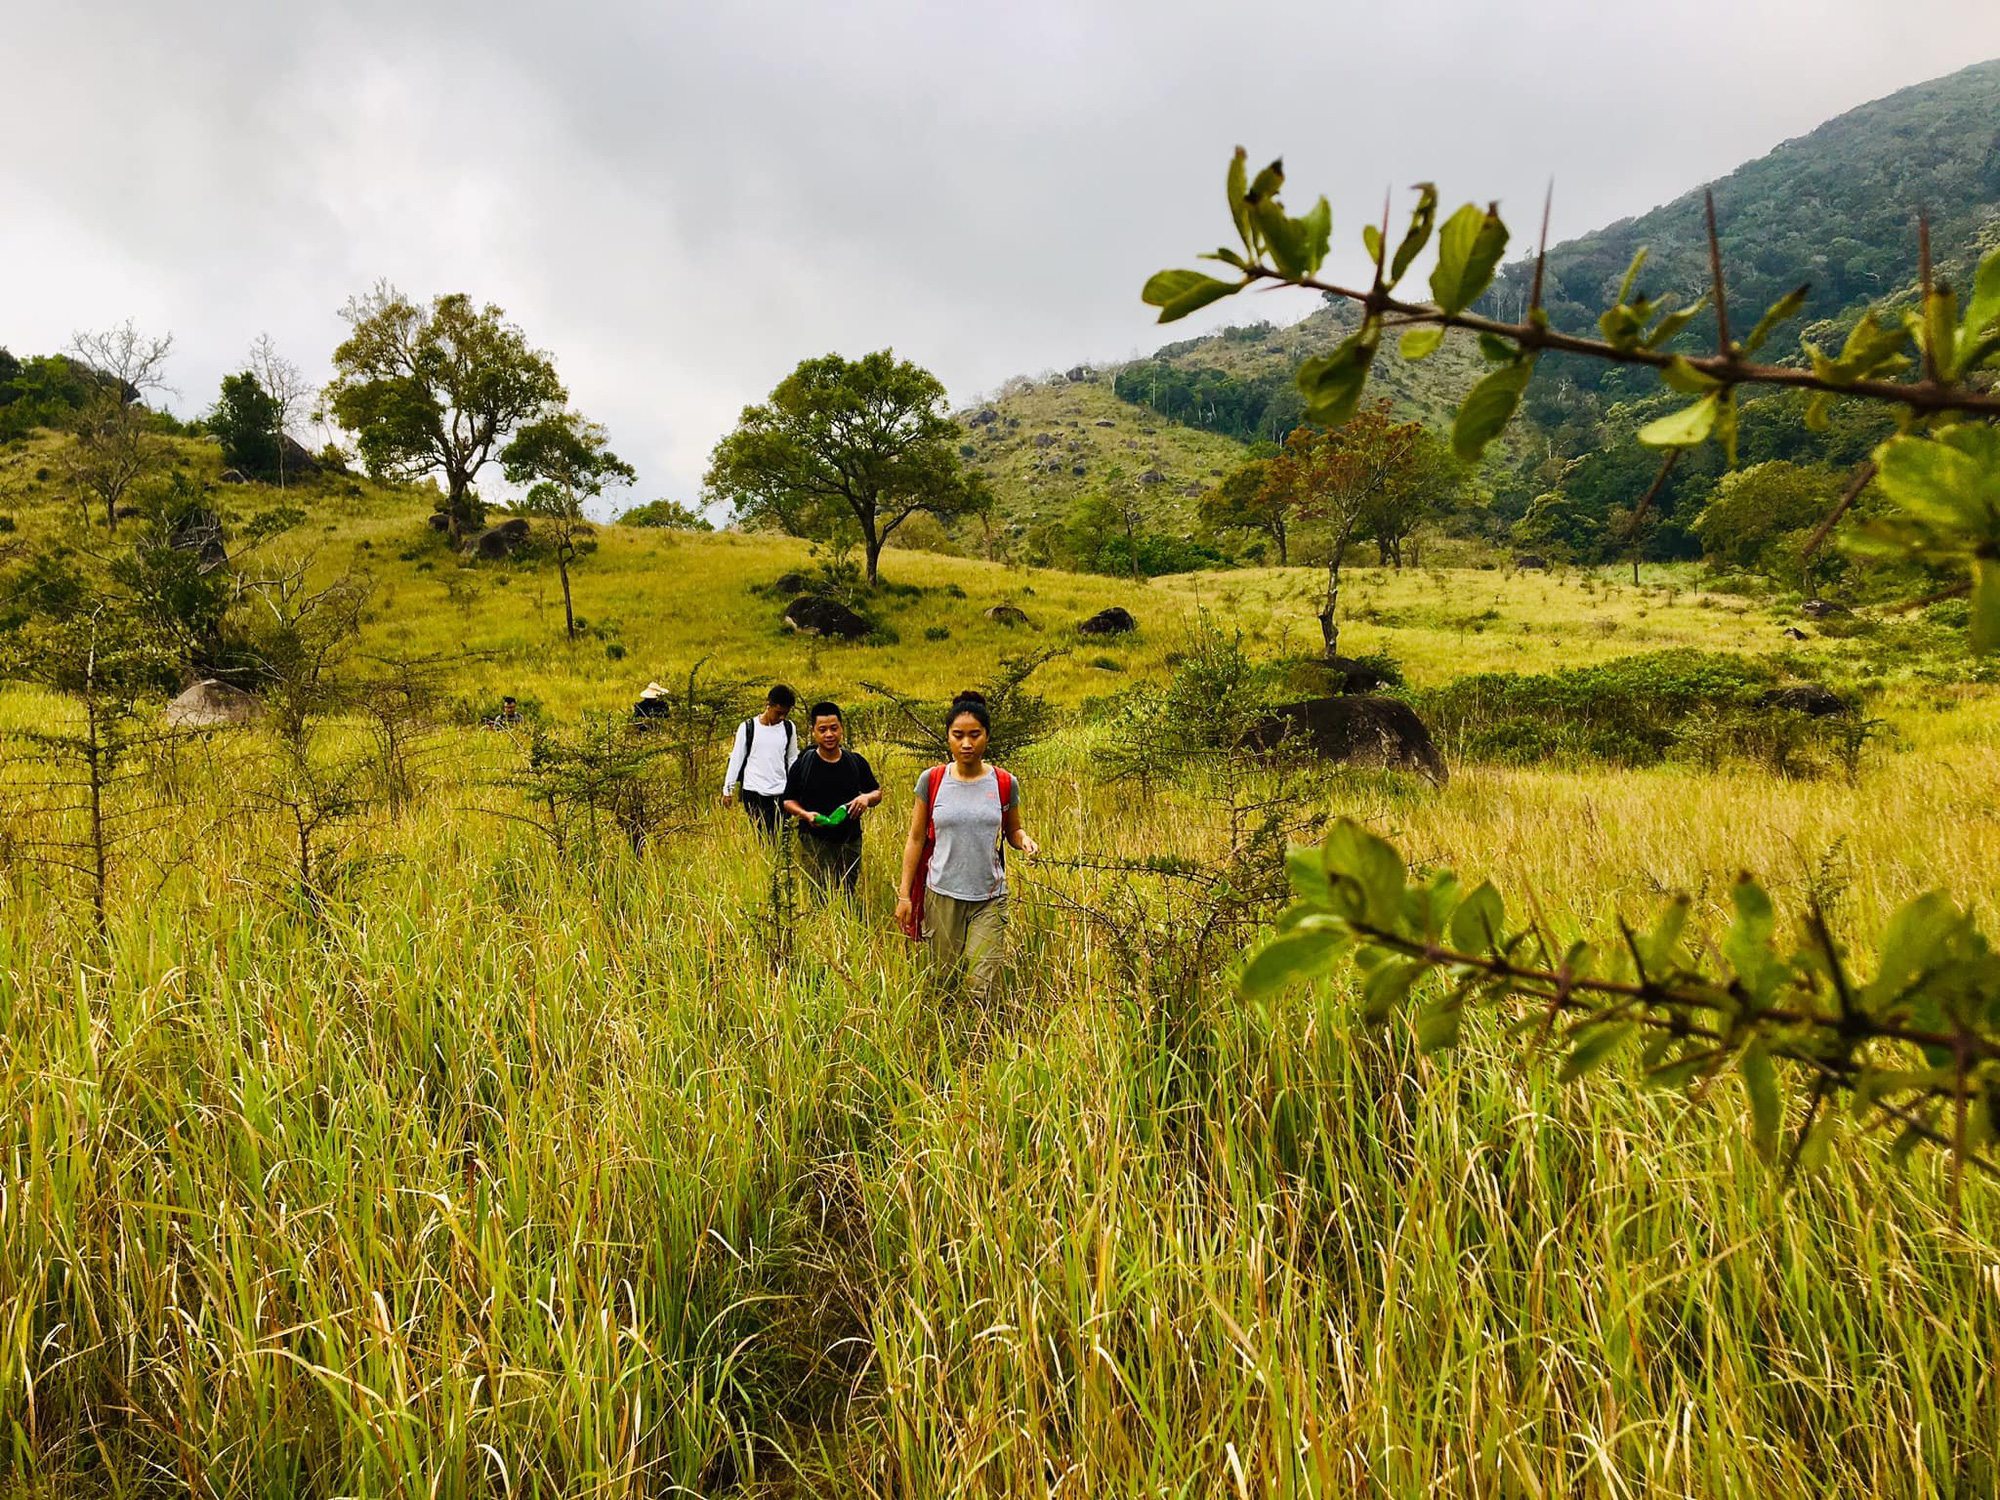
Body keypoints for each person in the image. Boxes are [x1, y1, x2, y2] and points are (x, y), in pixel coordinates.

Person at [896, 689, 1038, 1005]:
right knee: (943, 981)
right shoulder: (932, 780)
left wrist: (1024, 841)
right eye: (958, 735)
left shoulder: (1004, 782)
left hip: (989, 896)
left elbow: (1012, 830)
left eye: (975, 735)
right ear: (947, 737)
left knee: (981, 984)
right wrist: (904, 895)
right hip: (942, 895)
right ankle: (947, 1041)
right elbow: (916, 838)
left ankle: (984, 1044)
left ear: (987, 736)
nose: (966, 744)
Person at [781, 701, 882, 895]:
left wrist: (866, 799)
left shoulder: (855, 761)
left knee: (847, 893)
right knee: (818, 895)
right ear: (814, 732)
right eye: (823, 729)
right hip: (814, 842)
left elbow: (877, 792)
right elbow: (788, 801)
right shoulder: (803, 764)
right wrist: (805, 814)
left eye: (834, 728)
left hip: (850, 841)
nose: (829, 734)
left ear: (841, 729)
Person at [721, 685, 799, 836]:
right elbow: (736, 759)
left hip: (781, 792)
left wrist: (795, 789)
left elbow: (792, 759)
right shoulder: (748, 728)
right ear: (768, 705)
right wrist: (728, 790)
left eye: (786, 713)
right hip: (754, 792)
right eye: (779, 713)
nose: (782, 717)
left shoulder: (789, 728)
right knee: (763, 836)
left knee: (782, 836)